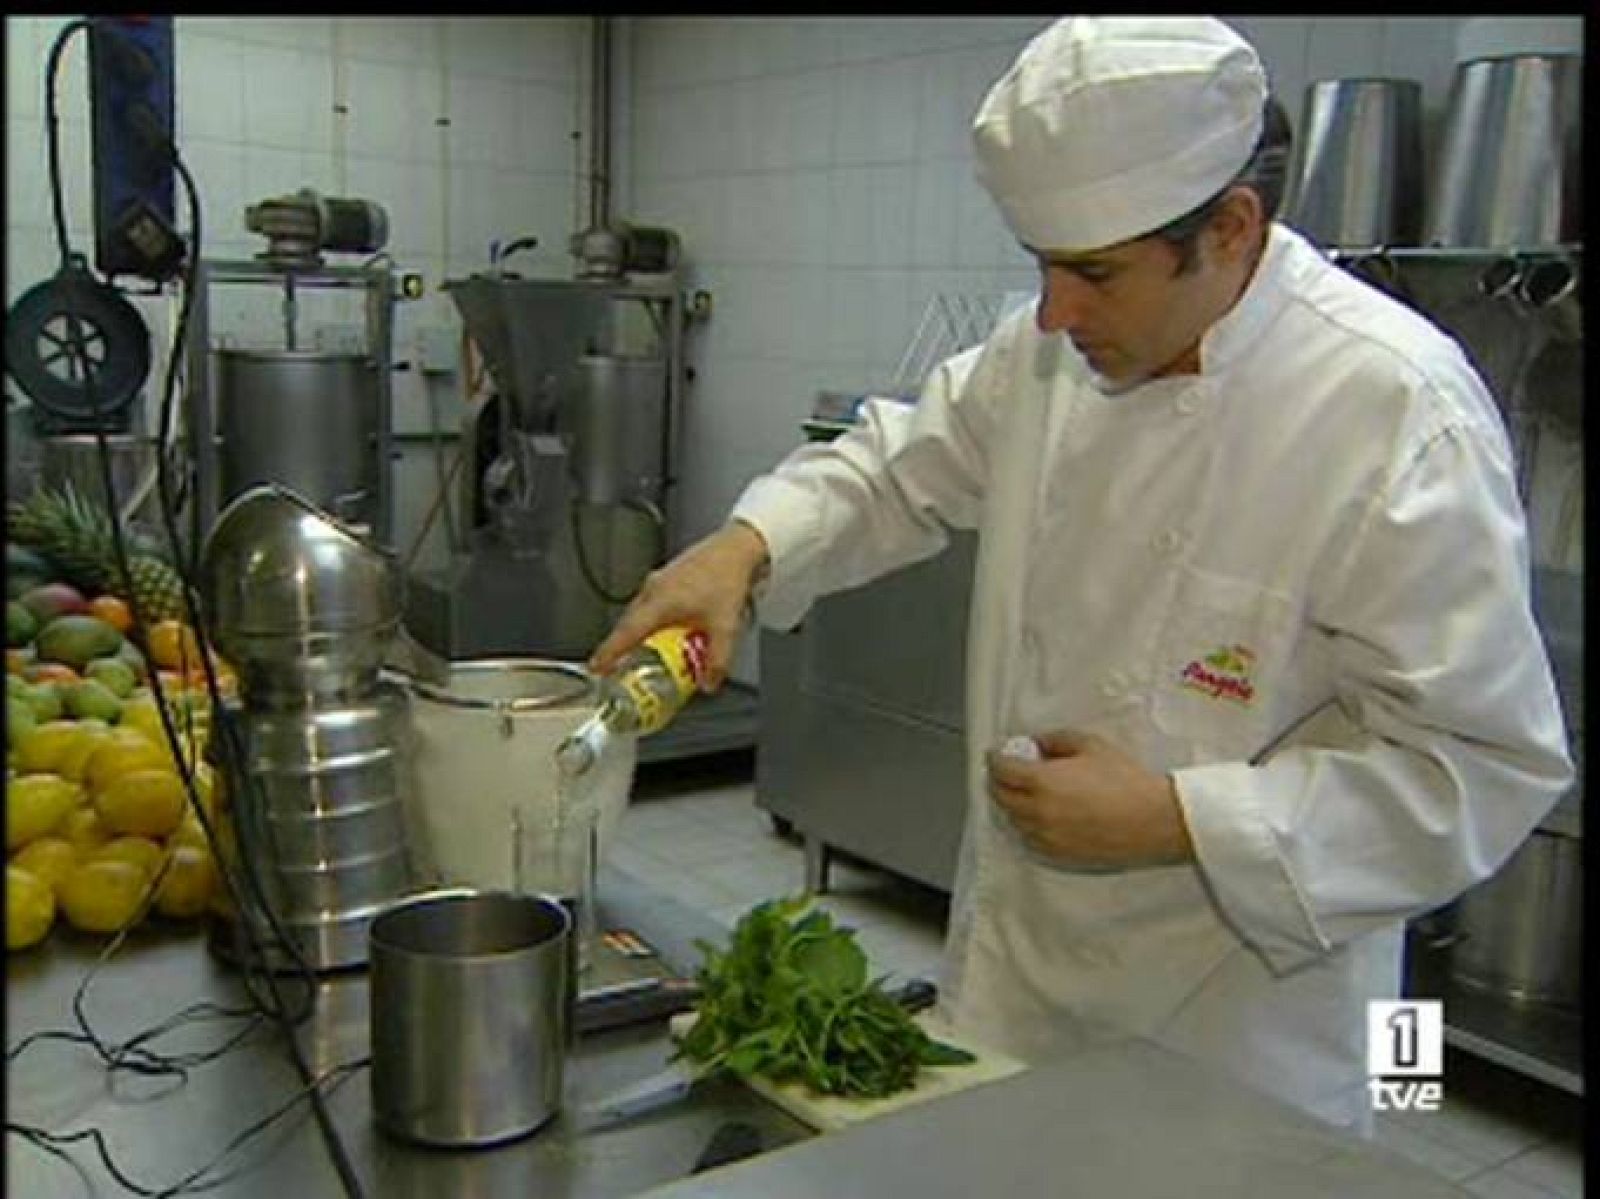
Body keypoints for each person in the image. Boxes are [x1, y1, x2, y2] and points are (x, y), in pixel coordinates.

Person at [589, 16, 1572, 1132]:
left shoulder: (1394, 412)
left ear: (1231, 228)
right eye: (1042, 266)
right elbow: (897, 467)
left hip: (1237, 1040)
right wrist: (745, 547)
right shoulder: (1048, 353)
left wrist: (1182, 818)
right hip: (1013, 986)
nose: (1055, 313)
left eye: (1094, 272)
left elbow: (1480, 765)